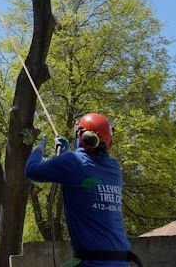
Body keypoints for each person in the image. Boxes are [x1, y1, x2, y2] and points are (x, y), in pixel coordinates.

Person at [24, 113, 142, 267]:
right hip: (121, 262)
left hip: (93, 263)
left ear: (83, 137)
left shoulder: (71, 162)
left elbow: (31, 170)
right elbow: (83, 177)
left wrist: (39, 147)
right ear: (109, 141)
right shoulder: (114, 168)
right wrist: (67, 154)